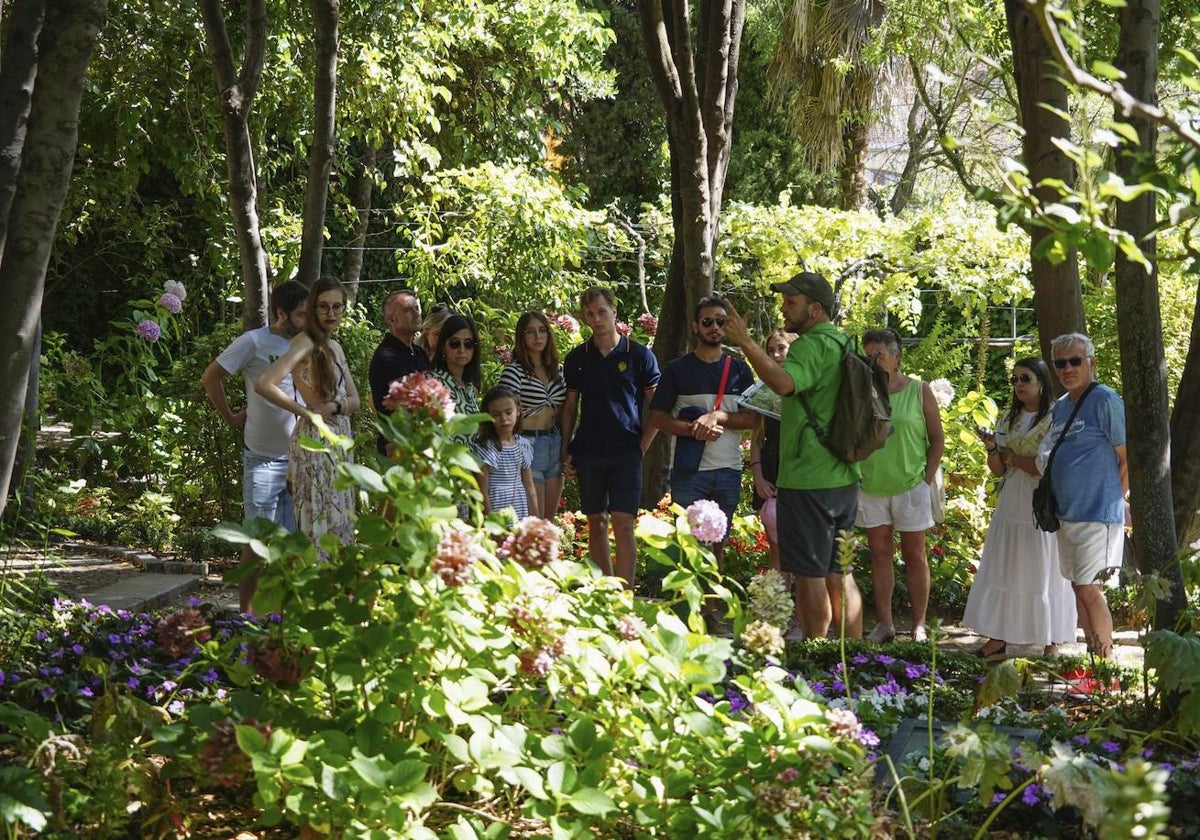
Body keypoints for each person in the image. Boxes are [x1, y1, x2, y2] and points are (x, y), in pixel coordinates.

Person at [722, 271, 863, 640]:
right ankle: (856, 663)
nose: (784, 307)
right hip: (844, 475)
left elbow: (785, 383)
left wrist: (745, 343)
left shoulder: (810, 345)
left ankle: (816, 663)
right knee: (839, 571)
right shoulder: (846, 343)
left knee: (810, 574)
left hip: (808, 478)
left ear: (815, 309)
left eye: (792, 302)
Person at [202, 280, 308, 611]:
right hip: (263, 459)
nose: (309, 320)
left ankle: (283, 617)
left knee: (292, 543)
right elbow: (211, 377)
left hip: (300, 460)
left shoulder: (308, 343)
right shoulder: (254, 341)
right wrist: (233, 417)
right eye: (302, 314)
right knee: (257, 539)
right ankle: (245, 616)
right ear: (281, 313)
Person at [962, 357, 1075, 660]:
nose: (1019, 385)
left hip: (1043, 501)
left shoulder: (1055, 416)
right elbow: (998, 469)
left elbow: (1043, 466)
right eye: (1015, 380)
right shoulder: (1008, 418)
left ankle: (1050, 638)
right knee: (1006, 564)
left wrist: (1013, 458)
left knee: (1044, 564)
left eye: (1025, 378)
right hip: (1013, 499)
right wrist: (991, 448)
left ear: (1041, 381)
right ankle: (998, 637)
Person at [1037, 333, 1128, 695]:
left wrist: (1114, 500)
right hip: (1067, 515)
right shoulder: (1060, 406)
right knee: (1078, 588)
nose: (1068, 369)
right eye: (1060, 363)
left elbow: (1126, 457)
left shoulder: (1105, 400)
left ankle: (1107, 671)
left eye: (1075, 361)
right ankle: (1093, 666)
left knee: (1090, 589)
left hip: (1097, 514)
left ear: (1091, 361)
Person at [562, 286, 660, 584]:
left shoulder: (640, 355)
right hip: (589, 451)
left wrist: (644, 444)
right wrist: (565, 448)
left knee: (624, 523)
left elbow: (657, 405)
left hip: (626, 451)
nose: (596, 319)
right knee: (596, 521)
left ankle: (625, 597)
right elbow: (569, 408)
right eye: (590, 314)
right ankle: (605, 593)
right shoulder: (578, 357)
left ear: (614, 312)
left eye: (602, 312)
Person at [256, 277, 360, 555]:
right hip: (315, 442)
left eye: (337, 307)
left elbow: (355, 400)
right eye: (324, 307)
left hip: (339, 439)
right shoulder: (304, 343)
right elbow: (264, 383)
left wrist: (334, 408)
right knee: (320, 523)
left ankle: (338, 591)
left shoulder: (334, 346)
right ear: (313, 308)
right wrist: (305, 412)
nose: (331, 314)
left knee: (341, 524)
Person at [649, 297, 756, 564]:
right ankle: (690, 605)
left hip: (728, 470)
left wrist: (718, 417)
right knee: (689, 545)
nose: (715, 327)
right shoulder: (677, 369)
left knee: (719, 544)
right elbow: (657, 417)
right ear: (695, 326)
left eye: (721, 322)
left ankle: (713, 605)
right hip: (689, 472)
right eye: (708, 322)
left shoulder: (740, 370)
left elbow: (753, 419)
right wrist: (693, 429)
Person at [857, 328, 945, 644]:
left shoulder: (919, 390)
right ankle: (885, 624)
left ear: (896, 357)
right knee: (879, 554)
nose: (873, 360)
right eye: (867, 354)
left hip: (911, 484)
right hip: (870, 484)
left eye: (878, 353)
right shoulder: (860, 392)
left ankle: (919, 624)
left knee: (915, 554)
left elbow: (937, 439)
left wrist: (925, 479)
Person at [499, 311, 568, 519]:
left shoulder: (558, 370)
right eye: (531, 332)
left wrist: (567, 445)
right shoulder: (514, 371)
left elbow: (566, 410)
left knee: (548, 523)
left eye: (542, 331)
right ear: (521, 336)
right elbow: (503, 414)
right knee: (533, 522)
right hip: (529, 444)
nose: (538, 337)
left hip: (554, 443)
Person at [749, 329, 793, 572]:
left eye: (781, 349)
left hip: (800, 479)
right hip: (771, 478)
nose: (776, 355)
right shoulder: (763, 391)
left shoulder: (807, 387)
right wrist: (758, 478)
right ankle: (779, 607)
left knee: (803, 552)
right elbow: (757, 438)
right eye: (770, 350)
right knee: (776, 551)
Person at [368, 289, 429, 455]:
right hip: (397, 445)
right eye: (408, 310)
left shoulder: (419, 352)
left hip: (422, 441)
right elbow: (412, 402)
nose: (416, 314)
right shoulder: (387, 356)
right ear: (392, 319)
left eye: (417, 308)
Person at [474, 387, 537, 520]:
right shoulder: (486, 447)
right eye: (496, 414)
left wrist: (536, 519)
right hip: (496, 507)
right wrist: (491, 522)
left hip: (519, 507)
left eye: (509, 412)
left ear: (518, 411)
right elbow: (482, 491)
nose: (504, 419)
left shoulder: (523, 445)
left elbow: (529, 487)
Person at [430, 312, 482, 431]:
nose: (462, 350)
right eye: (455, 343)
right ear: (443, 346)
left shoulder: (469, 387)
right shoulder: (434, 383)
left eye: (468, 343)